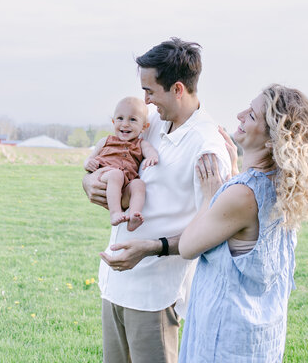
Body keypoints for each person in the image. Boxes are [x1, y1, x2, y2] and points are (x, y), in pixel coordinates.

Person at [82, 38, 232, 363]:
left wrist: (152, 248)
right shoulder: (148, 120)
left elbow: (211, 231)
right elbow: (111, 160)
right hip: (115, 283)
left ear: (177, 89)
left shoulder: (206, 146)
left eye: (150, 91)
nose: (145, 99)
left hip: (155, 296)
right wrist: (88, 182)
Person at [178, 84, 308, 363]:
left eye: (252, 115)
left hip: (224, 339)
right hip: (258, 338)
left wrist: (210, 195)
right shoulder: (281, 185)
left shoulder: (242, 195)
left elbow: (186, 247)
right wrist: (232, 177)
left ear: (271, 141)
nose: (240, 115)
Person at [84, 97, 158, 231]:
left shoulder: (141, 144)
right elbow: (89, 159)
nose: (125, 124)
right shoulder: (105, 141)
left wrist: (152, 157)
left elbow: (150, 151)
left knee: (138, 184)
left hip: (126, 184)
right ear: (113, 121)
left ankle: (133, 215)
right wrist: (89, 164)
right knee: (116, 174)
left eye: (133, 119)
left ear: (144, 127)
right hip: (107, 177)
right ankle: (115, 213)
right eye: (120, 118)